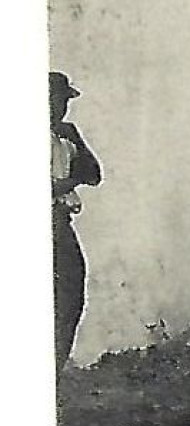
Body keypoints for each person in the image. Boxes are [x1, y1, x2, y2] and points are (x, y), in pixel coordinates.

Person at [50, 71, 101, 369]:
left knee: (71, 298)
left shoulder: (66, 134)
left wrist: (68, 179)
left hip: (61, 223)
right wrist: (70, 181)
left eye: (64, 102)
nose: (62, 108)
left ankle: (55, 371)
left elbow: (93, 174)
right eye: (57, 101)